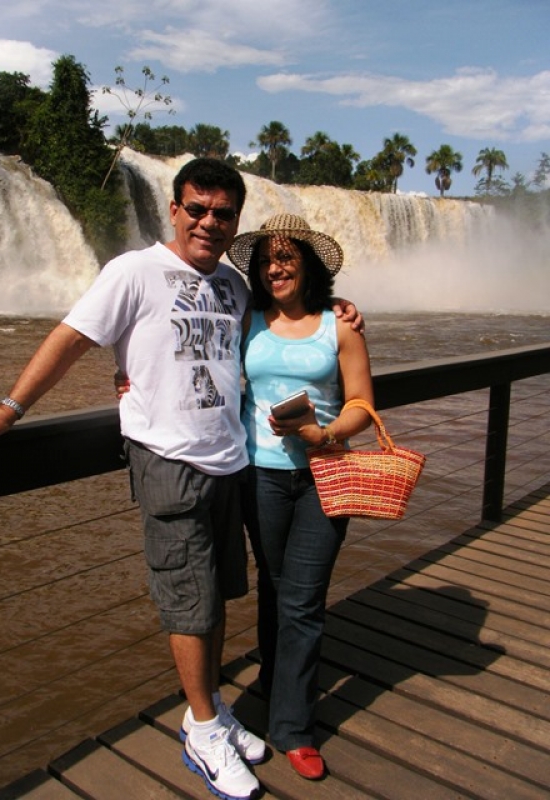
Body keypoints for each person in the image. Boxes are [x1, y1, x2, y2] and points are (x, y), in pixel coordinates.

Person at [0, 160, 363, 800]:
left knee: (217, 595)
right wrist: (9, 408)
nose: (208, 221)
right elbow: (70, 337)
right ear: (173, 209)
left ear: (234, 223)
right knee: (187, 600)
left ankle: (214, 711)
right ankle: (201, 729)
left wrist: (334, 306)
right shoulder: (132, 271)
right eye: (197, 208)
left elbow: (286, 324)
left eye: (223, 213)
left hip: (230, 462)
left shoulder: (233, 285)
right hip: (168, 460)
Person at [227, 214, 374, 780]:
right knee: (274, 585)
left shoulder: (340, 326)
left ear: (307, 265)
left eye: (286, 257)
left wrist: (327, 434)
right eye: (266, 259)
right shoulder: (249, 321)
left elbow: (361, 403)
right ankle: (275, 677)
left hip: (323, 476)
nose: (275, 268)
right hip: (259, 475)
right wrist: (128, 374)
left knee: (303, 599)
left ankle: (292, 727)